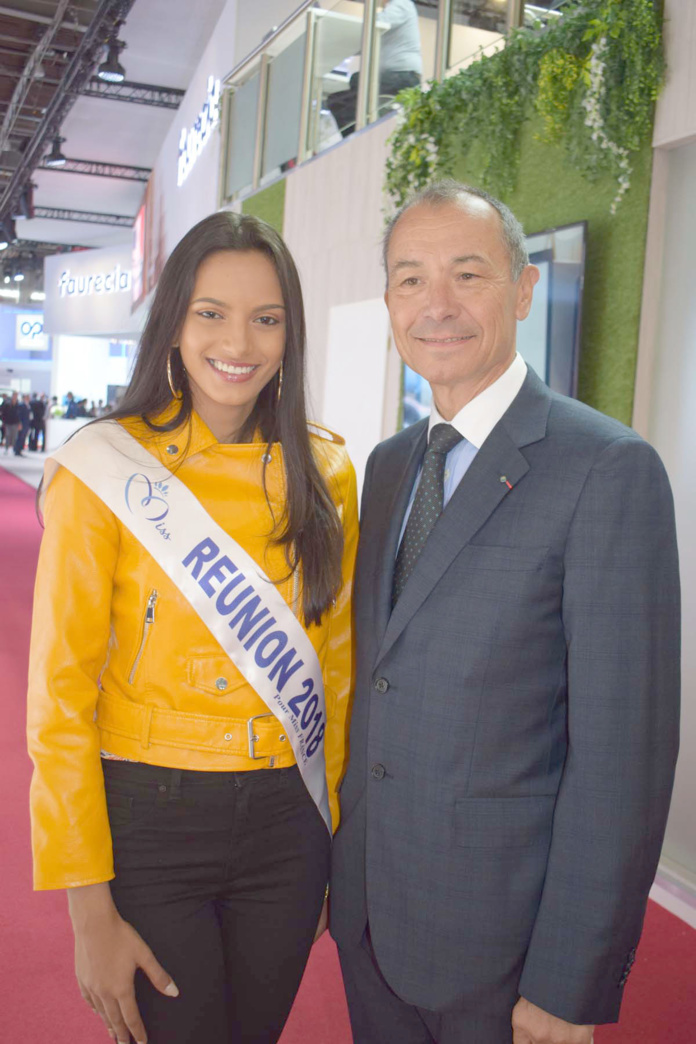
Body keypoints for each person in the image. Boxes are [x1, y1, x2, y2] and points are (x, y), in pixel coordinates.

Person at [330, 180, 680, 1044]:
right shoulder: (387, 465)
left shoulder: (606, 469)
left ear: (523, 290)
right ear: (389, 301)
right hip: (372, 918)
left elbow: (623, 760)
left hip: (504, 949)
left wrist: (569, 981)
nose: (437, 305)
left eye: (468, 274)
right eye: (411, 279)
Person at [27, 211, 358, 1044]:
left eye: (266, 318)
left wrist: (332, 841)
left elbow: (335, 671)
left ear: (291, 333)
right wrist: (86, 906)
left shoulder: (327, 472)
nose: (238, 342)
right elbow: (59, 698)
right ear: (174, 320)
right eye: (211, 312)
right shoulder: (102, 468)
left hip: (289, 825)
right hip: (150, 815)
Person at [327, 0, 422, 138]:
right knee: (338, 100)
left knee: (356, 81)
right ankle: (357, 136)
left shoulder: (402, 3)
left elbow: (379, 22)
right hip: (396, 77)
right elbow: (367, 39)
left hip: (403, 77)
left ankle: (357, 137)